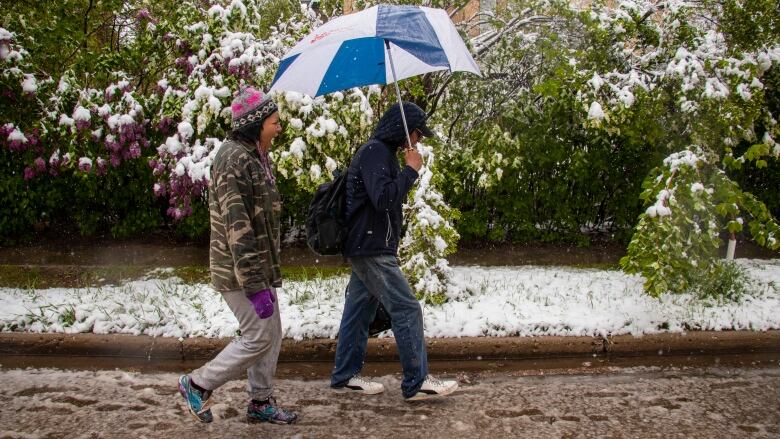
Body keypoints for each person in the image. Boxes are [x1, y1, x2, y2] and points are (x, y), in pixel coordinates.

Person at [177, 86, 297, 424]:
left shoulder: (254, 154)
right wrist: (255, 284)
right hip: (239, 270)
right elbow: (238, 227)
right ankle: (198, 384)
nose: (278, 128)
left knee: (270, 332)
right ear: (255, 124)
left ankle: (260, 402)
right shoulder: (233, 159)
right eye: (274, 122)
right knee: (259, 334)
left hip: (257, 267)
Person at [330, 101, 459, 401]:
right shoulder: (375, 152)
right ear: (403, 130)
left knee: (359, 311)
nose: (419, 140)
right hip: (372, 247)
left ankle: (345, 377)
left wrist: (403, 170)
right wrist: (411, 171)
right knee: (406, 308)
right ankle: (417, 382)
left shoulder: (380, 152)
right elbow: (383, 199)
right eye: (417, 133)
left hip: (367, 245)